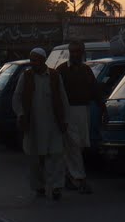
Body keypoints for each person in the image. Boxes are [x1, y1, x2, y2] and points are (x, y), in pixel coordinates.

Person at [12, 47, 69, 200]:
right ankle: (39, 186)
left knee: (56, 155)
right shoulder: (26, 76)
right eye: (31, 60)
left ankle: (57, 186)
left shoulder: (55, 76)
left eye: (36, 60)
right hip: (34, 124)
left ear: (43, 60)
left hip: (53, 123)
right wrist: (21, 114)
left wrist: (65, 120)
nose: (33, 63)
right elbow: (17, 98)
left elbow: (63, 99)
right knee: (35, 158)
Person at [57, 41, 104, 194]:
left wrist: (103, 108)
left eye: (78, 51)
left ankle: (69, 176)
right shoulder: (62, 70)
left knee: (80, 145)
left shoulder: (86, 70)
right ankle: (80, 179)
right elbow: (56, 95)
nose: (75, 54)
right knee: (74, 145)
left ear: (82, 52)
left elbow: (95, 90)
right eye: (72, 51)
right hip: (68, 112)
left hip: (84, 111)